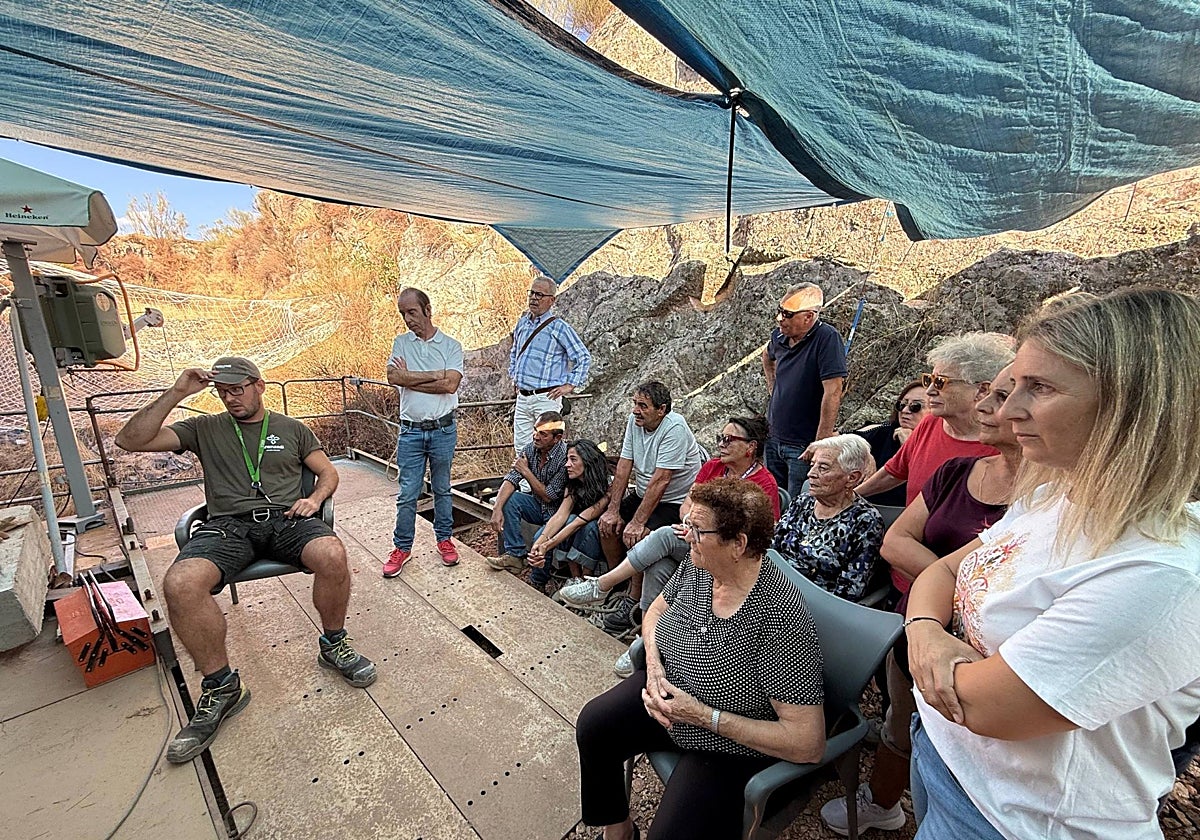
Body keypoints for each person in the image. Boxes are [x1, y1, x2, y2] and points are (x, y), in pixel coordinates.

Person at [905, 288, 1200, 839]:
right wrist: (926, 630)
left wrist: (922, 636)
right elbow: (937, 573)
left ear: (1129, 402)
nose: (1010, 409)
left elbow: (987, 708)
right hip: (950, 759)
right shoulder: (1055, 493)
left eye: (1038, 388)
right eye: (1013, 383)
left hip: (1018, 819)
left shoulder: (1161, 576)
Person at [114, 357, 376, 764]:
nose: (231, 397)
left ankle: (334, 644)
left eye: (238, 388)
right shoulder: (204, 429)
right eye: (224, 390)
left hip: (286, 520)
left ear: (260, 385)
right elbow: (130, 440)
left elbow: (328, 474)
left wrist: (315, 499)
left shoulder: (291, 429)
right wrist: (179, 391)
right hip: (228, 527)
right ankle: (221, 687)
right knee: (180, 583)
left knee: (332, 553)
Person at [819, 365, 1021, 836]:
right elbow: (895, 540)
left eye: (1002, 394)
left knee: (961, 751)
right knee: (904, 721)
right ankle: (887, 803)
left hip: (978, 651)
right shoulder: (957, 470)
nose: (995, 406)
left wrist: (941, 585)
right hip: (917, 619)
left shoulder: (1048, 498)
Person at [575, 479, 826, 840]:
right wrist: (654, 669)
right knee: (595, 725)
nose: (686, 535)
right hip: (673, 701)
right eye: (688, 524)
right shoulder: (702, 566)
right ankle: (620, 831)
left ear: (738, 544)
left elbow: (807, 742)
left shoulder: (779, 619)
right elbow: (656, 612)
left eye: (697, 529)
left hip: (729, 744)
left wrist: (703, 716)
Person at [558, 417, 780, 675]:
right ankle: (645, 638)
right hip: (695, 541)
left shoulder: (764, 484)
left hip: (726, 555)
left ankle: (602, 586)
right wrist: (691, 525)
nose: (721, 444)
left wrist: (700, 531)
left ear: (750, 447)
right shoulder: (712, 467)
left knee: (663, 535)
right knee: (658, 564)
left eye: (729, 439)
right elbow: (687, 505)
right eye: (721, 437)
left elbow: (761, 534)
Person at [854, 332, 1013, 506]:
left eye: (940, 382)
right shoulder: (930, 424)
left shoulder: (1003, 444)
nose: (929, 390)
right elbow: (894, 473)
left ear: (981, 390)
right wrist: (849, 498)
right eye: (928, 380)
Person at [598, 381, 704, 635]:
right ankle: (617, 583)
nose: (636, 410)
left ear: (661, 409)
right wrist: (613, 510)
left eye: (643, 406)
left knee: (640, 536)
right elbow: (624, 466)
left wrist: (638, 521)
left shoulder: (674, 427)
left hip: (674, 500)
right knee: (606, 526)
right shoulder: (635, 423)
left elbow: (662, 479)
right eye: (634, 403)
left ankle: (633, 601)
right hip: (644, 491)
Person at [384, 287, 464, 576]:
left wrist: (410, 379)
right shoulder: (401, 343)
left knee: (442, 488)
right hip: (410, 432)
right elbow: (393, 377)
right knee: (407, 493)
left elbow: (450, 385)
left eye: (412, 312)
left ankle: (445, 540)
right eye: (403, 314)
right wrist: (434, 374)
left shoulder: (451, 345)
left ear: (427, 310)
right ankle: (402, 547)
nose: (408, 319)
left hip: (442, 429)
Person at [771, 434, 883, 601]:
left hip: (815, 603)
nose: (810, 474)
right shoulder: (803, 501)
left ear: (852, 478)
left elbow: (850, 590)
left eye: (823, 468)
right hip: (774, 586)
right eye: (812, 465)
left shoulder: (866, 521)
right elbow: (773, 547)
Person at [762, 282, 847, 500]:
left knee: (797, 503)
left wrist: (820, 442)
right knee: (770, 500)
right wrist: (774, 389)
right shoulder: (779, 336)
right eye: (779, 311)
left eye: (787, 314)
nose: (780, 319)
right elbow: (767, 356)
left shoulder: (827, 338)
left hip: (802, 444)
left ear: (808, 317)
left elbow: (833, 390)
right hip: (774, 437)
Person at [508, 270, 591, 450]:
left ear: (551, 300)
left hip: (546, 397)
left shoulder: (559, 328)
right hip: (523, 397)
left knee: (549, 447)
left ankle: (549, 479)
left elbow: (583, 356)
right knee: (522, 448)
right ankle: (525, 479)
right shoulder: (522, 323)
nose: (534, 298)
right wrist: (514, 376)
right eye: (532, 293)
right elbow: (514, 351)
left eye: (540, 295)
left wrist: (570, 384)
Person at [487, 411, 568, 575]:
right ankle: (515, 555)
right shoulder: (531, 449)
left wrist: (525, 470)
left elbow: (549, 496)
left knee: (540, 539)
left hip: (557, 513)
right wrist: (497, 508)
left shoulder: (564, 456)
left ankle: (539, 582)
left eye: (543, 434)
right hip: (537, 505)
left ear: (557, 438)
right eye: (535, 431)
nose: (536, 437)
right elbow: (512, 478)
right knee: (509, 499)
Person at [526, 438, 611, 588]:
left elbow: (580, 522)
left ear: (587, 460)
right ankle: (573, 579)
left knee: (589, 527)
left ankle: (586, 580)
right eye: (567, 459)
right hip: (574, 528)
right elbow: (560, 515)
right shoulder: (573, 484)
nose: (567, 465)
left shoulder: (608, 485)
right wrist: (539, 543)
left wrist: (547, 545)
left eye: (573, 459)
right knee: (545, 532)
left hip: (595, 533)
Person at [850, 380, 927, 507]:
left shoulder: (939, 441)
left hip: (910, 513)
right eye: (901, 405)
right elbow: (846, 438)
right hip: (867, 507)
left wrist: (908, 445)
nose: (906, 410)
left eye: (915, 407)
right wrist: (866, 454)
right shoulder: (886, 430)